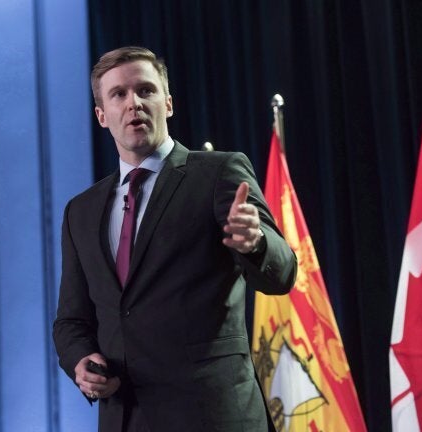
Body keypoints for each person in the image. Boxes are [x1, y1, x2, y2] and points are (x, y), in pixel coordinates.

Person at [52, 46, 297, 432]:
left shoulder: (218, 173)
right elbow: (71, 320)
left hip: (211, 416)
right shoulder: (80, 211)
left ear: (167, 104)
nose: (134, 103)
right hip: (125, 417)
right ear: (102, 115)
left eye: (145, 90)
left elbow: (282, 274)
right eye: (119, 94)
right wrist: (81, 362)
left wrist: (255, 242)